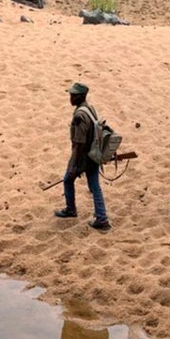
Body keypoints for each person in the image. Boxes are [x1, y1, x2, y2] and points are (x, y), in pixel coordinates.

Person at [55, 82, 111, 230]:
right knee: (95, 186)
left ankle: (71, 209)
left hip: (84, 156)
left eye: (73, 95)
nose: (70, 98)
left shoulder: (79, 116)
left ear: (81, 96)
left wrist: (75, 165)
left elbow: (79, 143)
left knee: (68, 180)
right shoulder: (89, 108)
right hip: (94, 154)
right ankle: (102, 218)